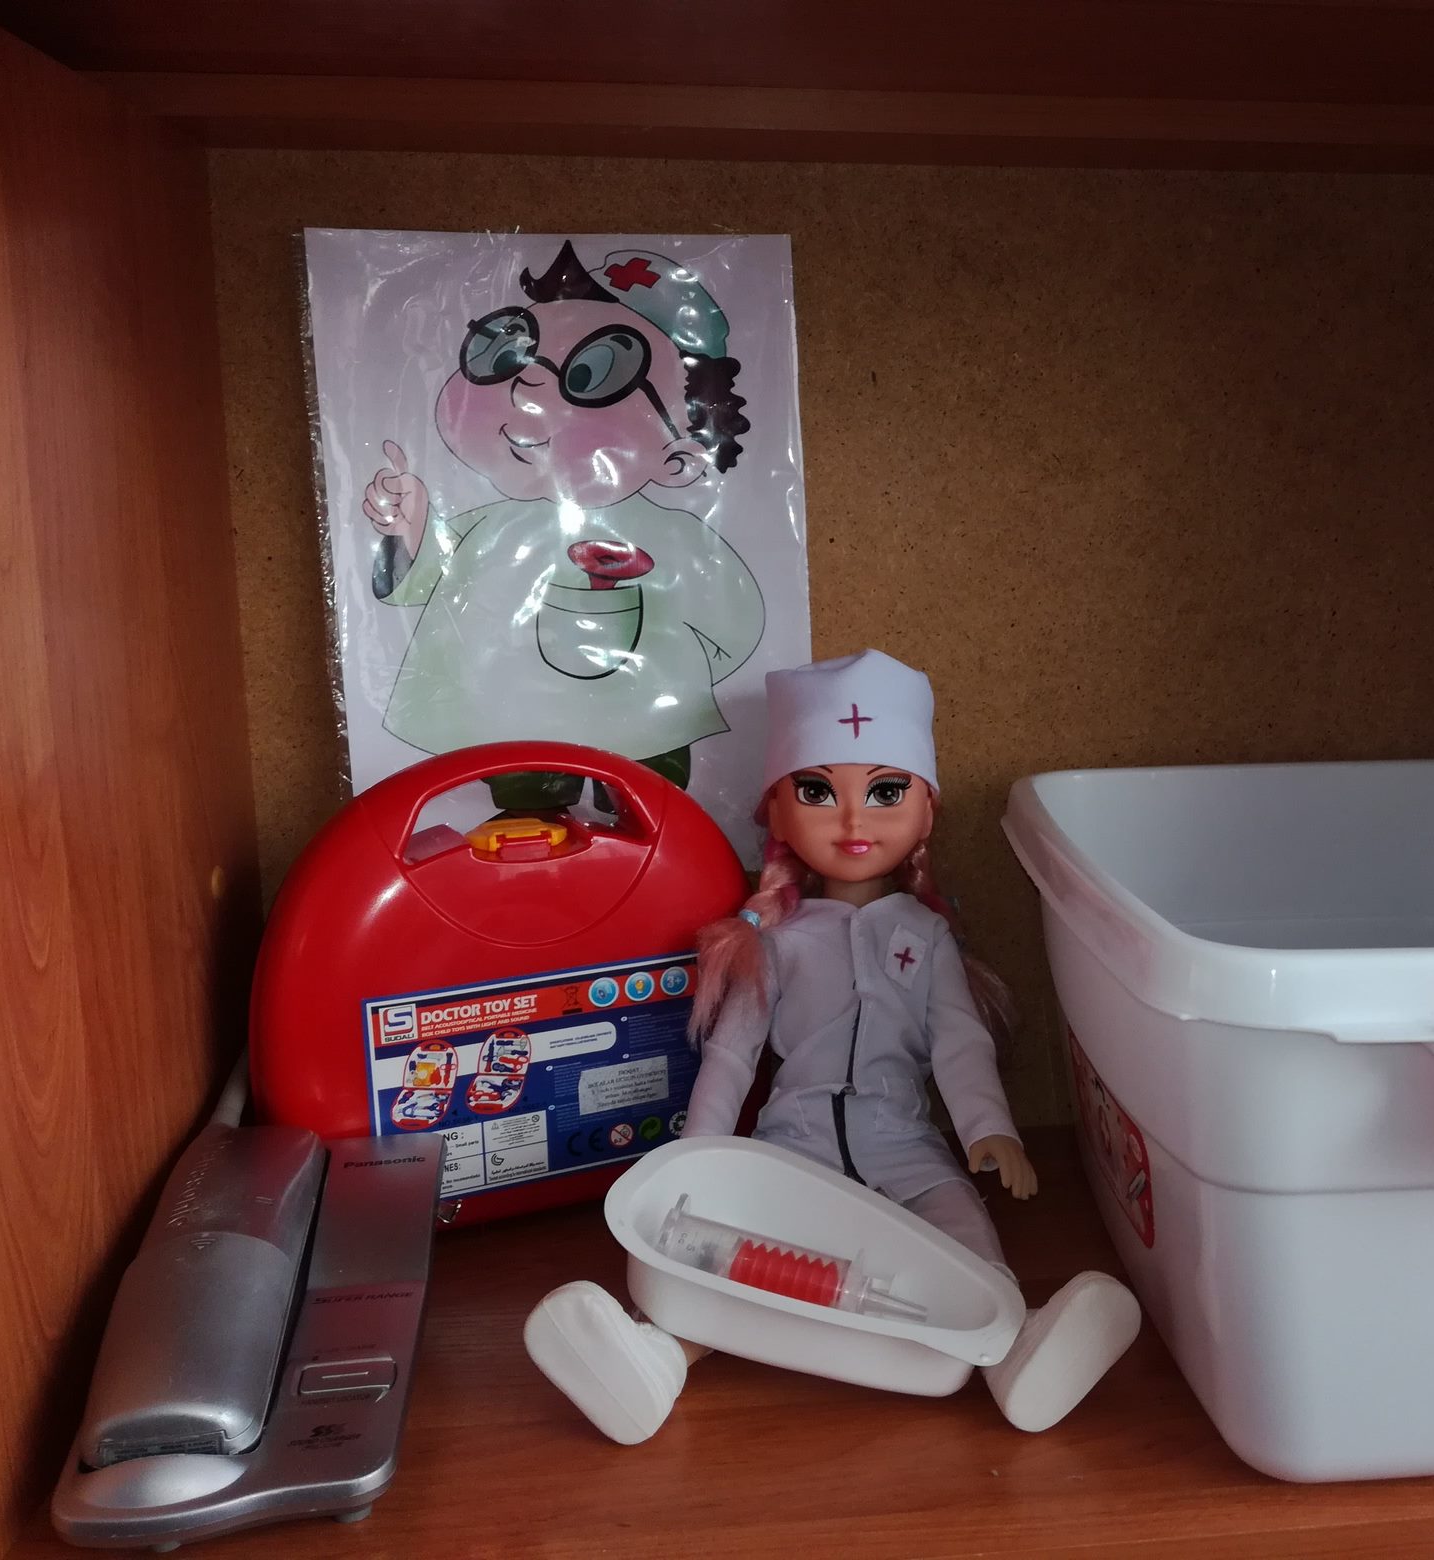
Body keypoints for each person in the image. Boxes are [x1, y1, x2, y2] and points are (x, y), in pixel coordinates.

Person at [524, 650, 1140, 1440]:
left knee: (960, 1230)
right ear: (777, 815)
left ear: (926, 812)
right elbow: (732, 1056)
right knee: (733, 1253)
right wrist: (698, 1155)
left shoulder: (927, 939)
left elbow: (958, 1043)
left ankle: (1014, 1347)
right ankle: (657, 1356)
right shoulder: (775, 942)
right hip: (792, 1147)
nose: (854, 822)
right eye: (818, 793)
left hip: (905, 1145)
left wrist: (991, 1130)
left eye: (886, 792)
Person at [362, 240, 764, 810]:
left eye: (594, 372)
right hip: (514, 722)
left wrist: (679, 676)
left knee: (649, 811)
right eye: (506, 352)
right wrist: (411, 527)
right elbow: (422, 586)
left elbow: (734, 623)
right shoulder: (493, 529)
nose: (529, 386)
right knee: (525, 814)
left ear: (679, 459)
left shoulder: (678, 539)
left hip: (644, 727)